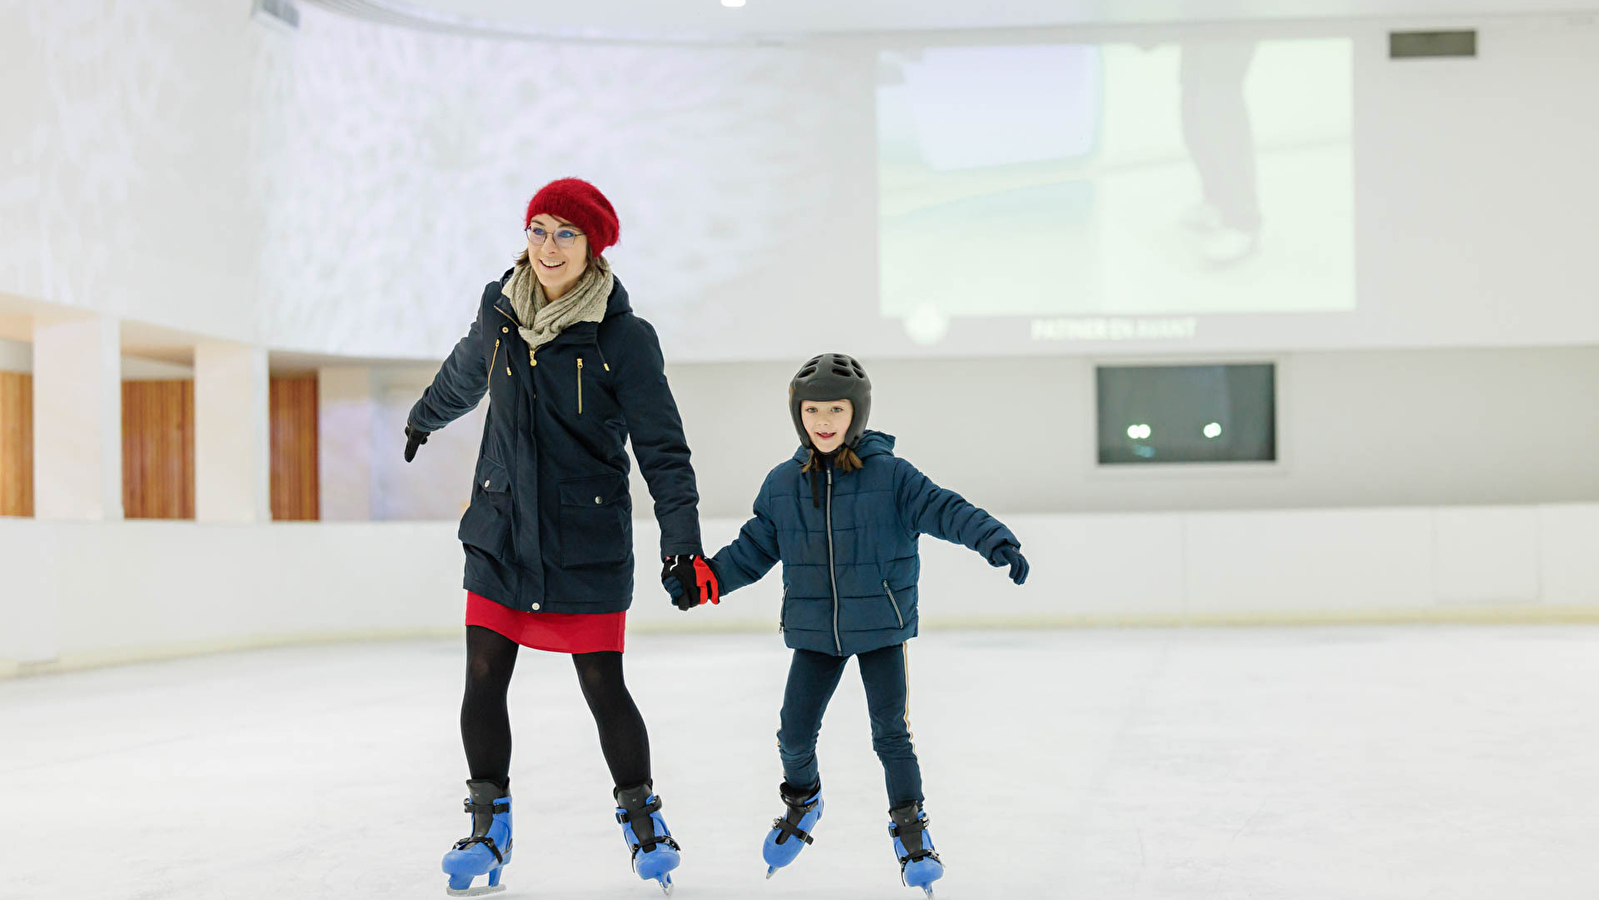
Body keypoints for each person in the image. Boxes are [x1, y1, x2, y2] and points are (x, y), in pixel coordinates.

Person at [404, 177, 720, 896]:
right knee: (483, 675)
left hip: (586, 538)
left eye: (565, 234)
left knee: (603, 682)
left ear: (594, 247)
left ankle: (643, 822)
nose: (547, 247)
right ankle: (489, 826)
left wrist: (683, 542)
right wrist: (425, 415)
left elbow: (662, 448)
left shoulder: (622, 338)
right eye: (538, 229)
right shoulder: (500, 313)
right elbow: (464, 372)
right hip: (501, 527)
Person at [667, 353, 1028, 897]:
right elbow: (752, 550)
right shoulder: (783, 485)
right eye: (812, 410)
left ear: (856, 414)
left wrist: (994, 539)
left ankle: (912, 833)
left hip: (881, 627)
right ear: (799, 416)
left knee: (890, 735)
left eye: (836, 409)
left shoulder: (894, 478)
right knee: (793, 733)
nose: (824, 420)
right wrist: (706, 580)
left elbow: (947, 509)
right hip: (815, 634)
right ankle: (803, 800)